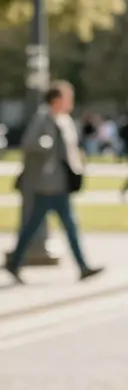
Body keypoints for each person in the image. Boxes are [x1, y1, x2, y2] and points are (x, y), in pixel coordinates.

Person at [4, 81, 102, 283]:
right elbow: (29, 144)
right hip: (46, 184)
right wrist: (44, 144)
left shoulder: (64, 120)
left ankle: (15, 263)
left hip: (60, 183)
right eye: (67, 97)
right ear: (57, 99)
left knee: (54, 226)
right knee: (46, 226)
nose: (70, 102)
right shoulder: (43, 117)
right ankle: (82, 266)